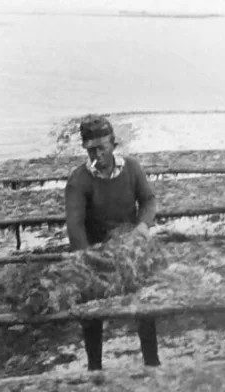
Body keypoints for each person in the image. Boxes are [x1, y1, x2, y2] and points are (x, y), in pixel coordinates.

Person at [65, 114, 160, 370]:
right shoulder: (79, 181)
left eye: (102, 147)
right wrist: (89, 259)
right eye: (91, 149)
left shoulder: (132, 168)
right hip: (97, 253)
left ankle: (151, 363)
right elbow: (75, 225)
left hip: (129, 250)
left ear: (113, 144)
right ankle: (95, 368)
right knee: (92, 311)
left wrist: (142, 226)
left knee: (144, 307)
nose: (97, 154)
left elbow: (149, 201)